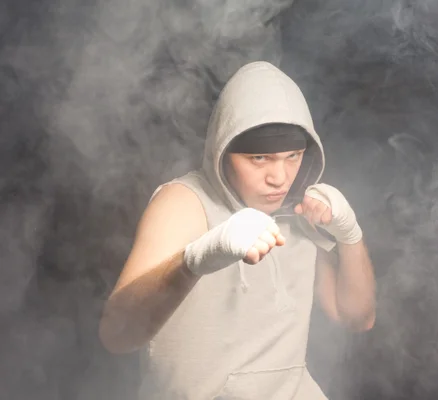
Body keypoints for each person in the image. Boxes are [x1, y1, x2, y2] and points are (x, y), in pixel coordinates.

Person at [98, 61, 376, 400]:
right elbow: (116, 335)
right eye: (259, 158)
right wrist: (194, 260)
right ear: (223, 150)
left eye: (293, 156)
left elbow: (357, 318)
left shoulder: (301, 209)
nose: (280, 177)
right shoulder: (183, 204)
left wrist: (350, 235)